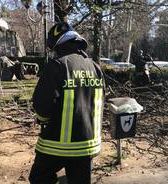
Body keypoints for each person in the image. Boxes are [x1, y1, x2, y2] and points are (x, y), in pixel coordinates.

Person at [29, 22, 105, 184]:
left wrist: (42, 119)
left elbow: (42, 106)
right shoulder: (96, 68)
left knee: (39, 178)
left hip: (57, 145)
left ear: (58, 45)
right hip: (88, 144)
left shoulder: (57, 65)